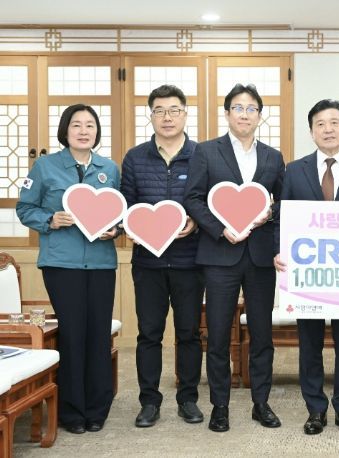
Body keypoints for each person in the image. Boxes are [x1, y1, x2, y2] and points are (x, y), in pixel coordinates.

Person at [274, 99, 339, 436]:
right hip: (308, 275)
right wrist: (279, 251)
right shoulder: (295, 170)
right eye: (321, 124)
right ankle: (315, 410)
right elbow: (282, 218)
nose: (328, 129)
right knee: (310, 344)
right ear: (311, 131)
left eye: (334, 122)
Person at [183, 83, 284, 433]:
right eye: (238, 108)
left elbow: (282, 202)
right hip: (219, 255)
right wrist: (219, 228)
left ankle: (261, 403)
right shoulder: (206, 152)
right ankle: (220, 406)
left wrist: (269, 213)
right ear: (227, 113)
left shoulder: (273, 157)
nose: (245, 114)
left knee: (262, 334)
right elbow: (193, 198)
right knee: (218, 335)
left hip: (259, 257)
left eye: (251, 108)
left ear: (260, 116)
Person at [16, 104, 120, 434]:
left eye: (90, 125)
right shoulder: (45, 166)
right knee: (73, 334)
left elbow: (120, 213)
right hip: (61, 263)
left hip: (101, 263)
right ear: (65, 130)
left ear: (97, 132)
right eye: (76, 124)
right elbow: (24, 208)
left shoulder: (109, 168)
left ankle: (97, 409)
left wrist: (115, 230)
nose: (84, 131)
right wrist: (50, 219)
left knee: (98, 333)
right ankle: (72, 411)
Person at [121, 85, 204, 428]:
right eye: (159, 111)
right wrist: (130, 226)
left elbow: (208, 202)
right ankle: (149, 402)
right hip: (148, 263)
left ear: (185, 114)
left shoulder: (202, 155)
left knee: (189, 333)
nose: (167, 117)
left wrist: (196, 221)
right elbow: (126, 204)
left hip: (190, 261)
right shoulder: (135, 157)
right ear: (151, 116)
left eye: (173, 110)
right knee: (149, 334)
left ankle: (188, 399)